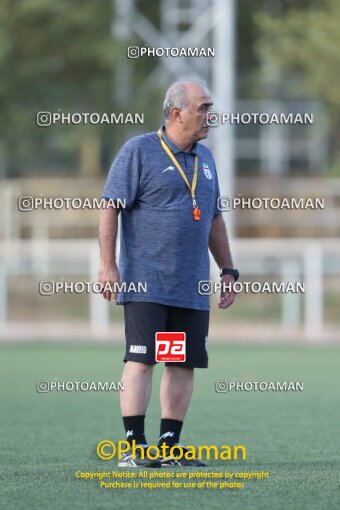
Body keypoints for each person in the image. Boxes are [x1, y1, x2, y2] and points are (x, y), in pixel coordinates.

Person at [98, 79, 238, 468]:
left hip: (189, 286)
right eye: (204, 107)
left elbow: (213, 219)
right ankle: (133, 447)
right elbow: (110, 207)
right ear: (177, 113)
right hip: (147, 283)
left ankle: (169, 446)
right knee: (141, 360)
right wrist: (108, 265)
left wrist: (227, 269)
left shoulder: (206, 159)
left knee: (181, 362)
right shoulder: (138, 151)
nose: (211, 115)